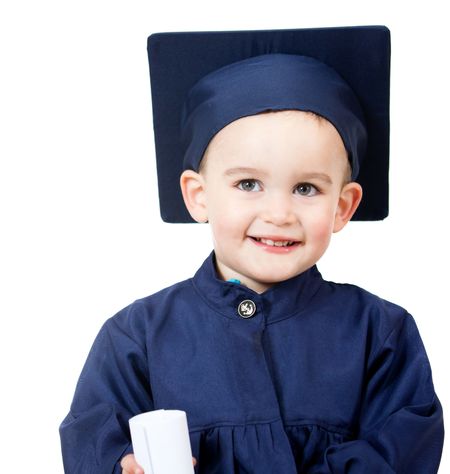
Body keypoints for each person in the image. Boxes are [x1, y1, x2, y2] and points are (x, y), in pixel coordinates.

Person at [59, 26, 444, 473]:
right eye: (248, 184)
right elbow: (92, 441)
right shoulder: (136, 337)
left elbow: (401, 451)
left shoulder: (381, 333)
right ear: (198, 196)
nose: (278, 213)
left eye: (306, 188)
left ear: (344, 206)